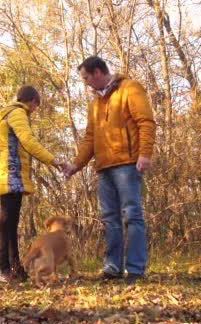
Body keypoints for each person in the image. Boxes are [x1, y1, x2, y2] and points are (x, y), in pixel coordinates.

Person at [63, 56, 156, 284]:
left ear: (97, 73)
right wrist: (76, 165)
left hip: (127, 164)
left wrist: (145, 153)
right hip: (104, 168)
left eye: (86, 78)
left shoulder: (129, 88)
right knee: (109, 219)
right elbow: (90, 139)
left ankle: (135, 269)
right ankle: (113, 268)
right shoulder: (95, 104)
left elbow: (145, 121)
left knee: (132, 215)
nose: (85, 83)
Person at [0, 85, 64, 283]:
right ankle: (5, 269)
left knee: (11, 223)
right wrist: (53, 160)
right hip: (11, 173)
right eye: (36, 106)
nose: (35, 110)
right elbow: (28, 141)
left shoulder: (10, 114)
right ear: (32, 101)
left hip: (10, 173)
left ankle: (15, 269)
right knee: (7, 223)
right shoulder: (17, 113)